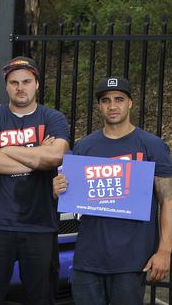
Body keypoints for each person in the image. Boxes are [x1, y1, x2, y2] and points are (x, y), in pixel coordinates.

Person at [53, 77, 172, 305]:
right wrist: (58, 188)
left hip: (131, 259)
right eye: (106, 100)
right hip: (88, 258)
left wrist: (164, 251)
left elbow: (167, 200)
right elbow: (69, 195)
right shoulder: (84, 146)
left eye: (119, 99)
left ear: (130, 103)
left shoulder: (152, 146)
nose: (112, 105)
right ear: (99, 106)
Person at [0, 57, 69, 305]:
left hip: (40, 223)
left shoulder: (53, 118)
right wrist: (37, 156)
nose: (20, 87)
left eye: (26, 81)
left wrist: (5, 149)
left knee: (41, 298)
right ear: (6, 86)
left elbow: (55, 156)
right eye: (14, 82)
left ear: (36, 84)